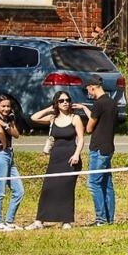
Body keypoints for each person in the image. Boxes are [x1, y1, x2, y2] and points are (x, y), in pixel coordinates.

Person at [26, 92, 85, 229]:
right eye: (61, 101)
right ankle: (39, 221)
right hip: (55, 158)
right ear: (56, 103)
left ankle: (66, 221)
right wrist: (49, 109)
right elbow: (34, 117)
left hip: (71, 158)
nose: (65, 102)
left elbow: (81, 139)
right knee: (48, 188)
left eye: (67, 100)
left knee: (66, 189)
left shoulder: (75, 118)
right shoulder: (53, 118)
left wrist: (76, 154)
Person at [83, 74, 117, 226]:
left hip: (98, 148)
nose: (88, 92)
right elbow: (100, 119)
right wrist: (85, 109)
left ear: (92, 87)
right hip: (108, 147)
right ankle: (109, 219)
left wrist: (87, 117)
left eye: (88, 89)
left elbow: (89, 128)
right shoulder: (112, 102)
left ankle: (100, 219)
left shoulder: (98, 104)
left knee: (94, 183)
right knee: (106, 183)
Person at [0, 93, 24, 230]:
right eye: (3, 106)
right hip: (0, 156)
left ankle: (9, 221)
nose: (6, 109)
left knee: (19, 191)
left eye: (8, 106)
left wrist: (9, 123)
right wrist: (3, 144)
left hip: (10, 156)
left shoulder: (8, 119)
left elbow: (16, 135)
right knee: (0, 191)